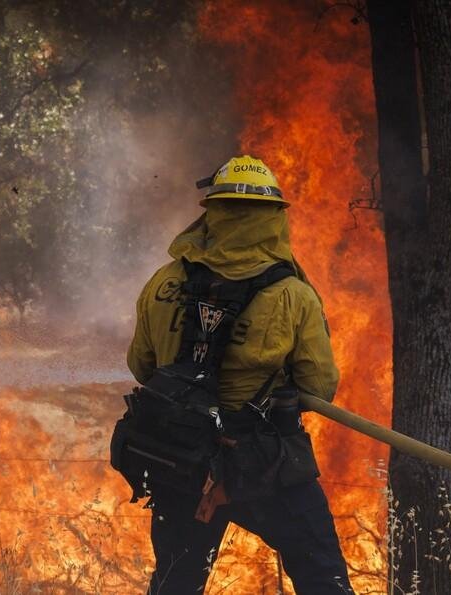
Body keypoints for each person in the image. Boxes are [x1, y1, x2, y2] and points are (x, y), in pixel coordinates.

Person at [126, 155, 352, 593]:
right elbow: (319, 387)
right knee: (323, 577)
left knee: (176, 582)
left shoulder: (163, 282)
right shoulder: (292, 296)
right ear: (272, 219)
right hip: (262, 464)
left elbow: (142, 367)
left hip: (179, 457)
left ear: (212, 214)